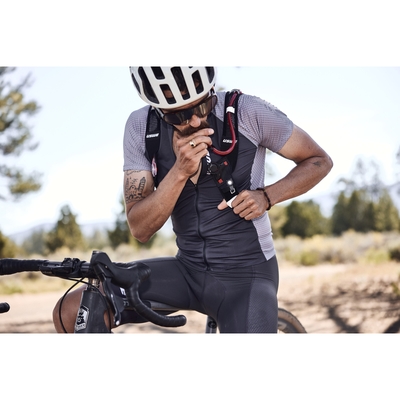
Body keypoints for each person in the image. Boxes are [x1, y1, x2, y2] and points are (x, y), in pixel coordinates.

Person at [53, 67, 333, 333]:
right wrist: (179, 172)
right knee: (70, 311)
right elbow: (140, 228)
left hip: (247, 273)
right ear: (159, 109)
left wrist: (267, 196)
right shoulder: (142, 127)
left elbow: (319, 161)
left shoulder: (247, 111)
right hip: (187, 270)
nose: (196, 121)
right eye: (179, 115)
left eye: (202, 106)